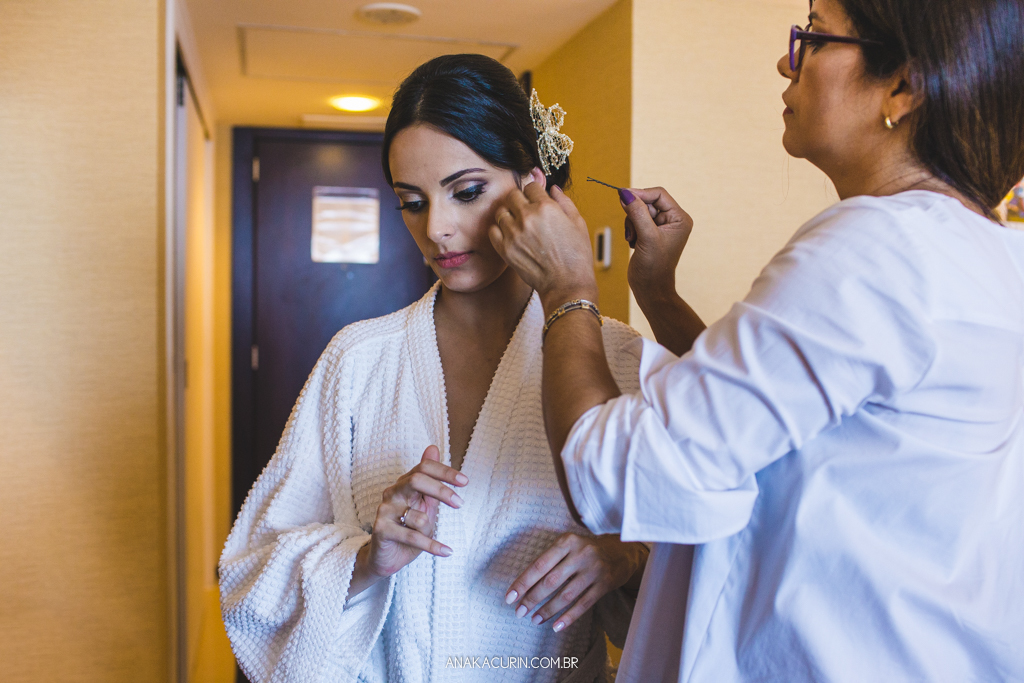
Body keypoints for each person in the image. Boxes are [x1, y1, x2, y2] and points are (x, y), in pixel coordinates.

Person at [488, 0, 1024, 681]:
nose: (785, 60)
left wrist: (568, 290)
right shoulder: (990, 252)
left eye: (812, 37)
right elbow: (784, 415)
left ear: (904, 88)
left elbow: (622, 474)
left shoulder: (874, 249)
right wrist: (659, 295)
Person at [219, 54, 648, 683]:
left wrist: (627, 559)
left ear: (533, 182)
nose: (438, 229)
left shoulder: (617, 357)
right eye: (411, 202)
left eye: (467, 192)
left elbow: (702, 563)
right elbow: (252, 570)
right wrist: (367, 557)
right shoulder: (357, 360)